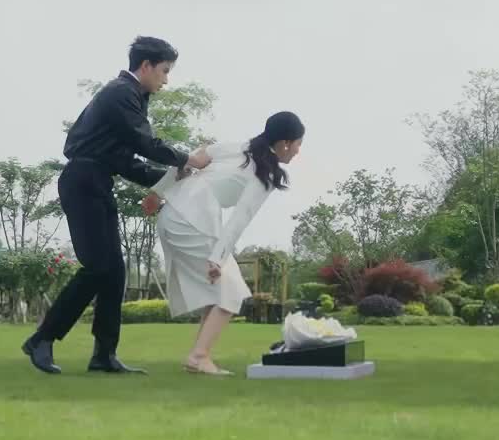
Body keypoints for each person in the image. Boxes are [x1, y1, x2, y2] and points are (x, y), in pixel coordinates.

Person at [21, 37, 212, 375]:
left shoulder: (131, 96)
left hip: (96, 180)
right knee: (98, 267)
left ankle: (104, 355)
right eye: (165, 71)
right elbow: (144, 142)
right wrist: (187, 159)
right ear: (146, 66)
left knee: (114, 271)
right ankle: (42, 338)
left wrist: (171, 176)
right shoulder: (121, 93)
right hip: (83, 182)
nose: (166, 79)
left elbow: (124, 161)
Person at [144, 111, 305, 375]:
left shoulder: (237, 148)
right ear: (286, 143)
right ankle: (198, 357)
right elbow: (239, 219)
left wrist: (157, 191)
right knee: (231, 291)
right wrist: (217, 258)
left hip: (173, 214)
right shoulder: (264, 174)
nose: (298, 151)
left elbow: (192, 159)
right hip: (192, 221)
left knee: (220, 291)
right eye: (298, 144)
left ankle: (198, 356)